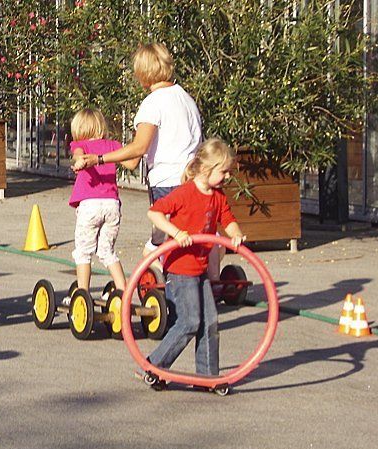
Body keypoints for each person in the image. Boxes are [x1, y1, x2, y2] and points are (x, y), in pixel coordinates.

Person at [71, 43, 202, 252]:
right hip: (193, 179)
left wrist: (99, 158)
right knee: (188, 234)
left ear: (143, 72)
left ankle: (159, 275)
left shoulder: (153, 103)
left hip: (167, 182)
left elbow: (138, 149)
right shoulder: (186, 98)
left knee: (163, 240)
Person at [143, 138, 246, 379]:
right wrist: (176, 233)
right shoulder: (185, 193)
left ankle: (207, 377)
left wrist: (237, 235)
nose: (226, 177)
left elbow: (228, 220)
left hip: (199, 269)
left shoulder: (217, 197)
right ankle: (155, 365)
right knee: (190, 321)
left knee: (210, 323)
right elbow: (154, 212)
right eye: (223, 172)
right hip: (180, 268)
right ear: (205, 169)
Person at [68, 108, 140, 295]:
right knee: (107, 251)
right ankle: (123, 292)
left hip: (90, 206)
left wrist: (79, 161)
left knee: (83, 252)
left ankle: (82, 293)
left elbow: (77, 154)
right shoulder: (113, 145)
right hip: (111, 205)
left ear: (79, 129)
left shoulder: (80, 144)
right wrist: (141, 147)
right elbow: (132, 163)